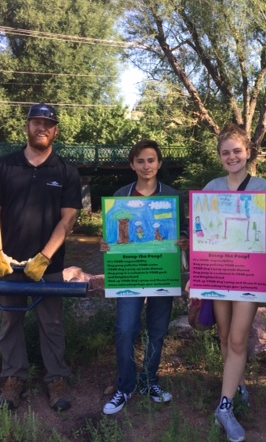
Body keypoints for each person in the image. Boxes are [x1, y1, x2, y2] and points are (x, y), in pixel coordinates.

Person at [0, 103, 82, 411]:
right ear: (27, 126)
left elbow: (68, 219)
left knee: (51, 323)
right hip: (9, 263)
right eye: (36, 121)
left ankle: (56, 378)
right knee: (10, 321)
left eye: (48, 123)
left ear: (56, 131)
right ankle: (13, 378)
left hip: (48, 265)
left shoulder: (66, 171)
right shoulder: (5, 166)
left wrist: (44, 257)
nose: (42, 127)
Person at [204, 124, 266, 442]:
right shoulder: (211, 187)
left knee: (237, 339)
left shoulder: (264, 186)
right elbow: (203, 231)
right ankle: (237, 383)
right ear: (220, 157)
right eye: (225, 152)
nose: (231, 156)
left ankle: (225, 406)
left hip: (249, 274)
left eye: (237, 150)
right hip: (219, 272)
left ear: (248, 152)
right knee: (224, 336)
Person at [102, 140, 189, 415]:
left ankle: (150, 381)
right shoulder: (120, 196)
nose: (146, 166)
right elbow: (111, 236)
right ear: (132, 165)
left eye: (151, 160)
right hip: (130, 274)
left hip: (162, 272)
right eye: (140, 161)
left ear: (159, 163)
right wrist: (106, 245)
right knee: (125, 328)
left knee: (158, 330)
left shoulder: (173, 197)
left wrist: (184, 241)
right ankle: (125, 386)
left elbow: (184, 231)